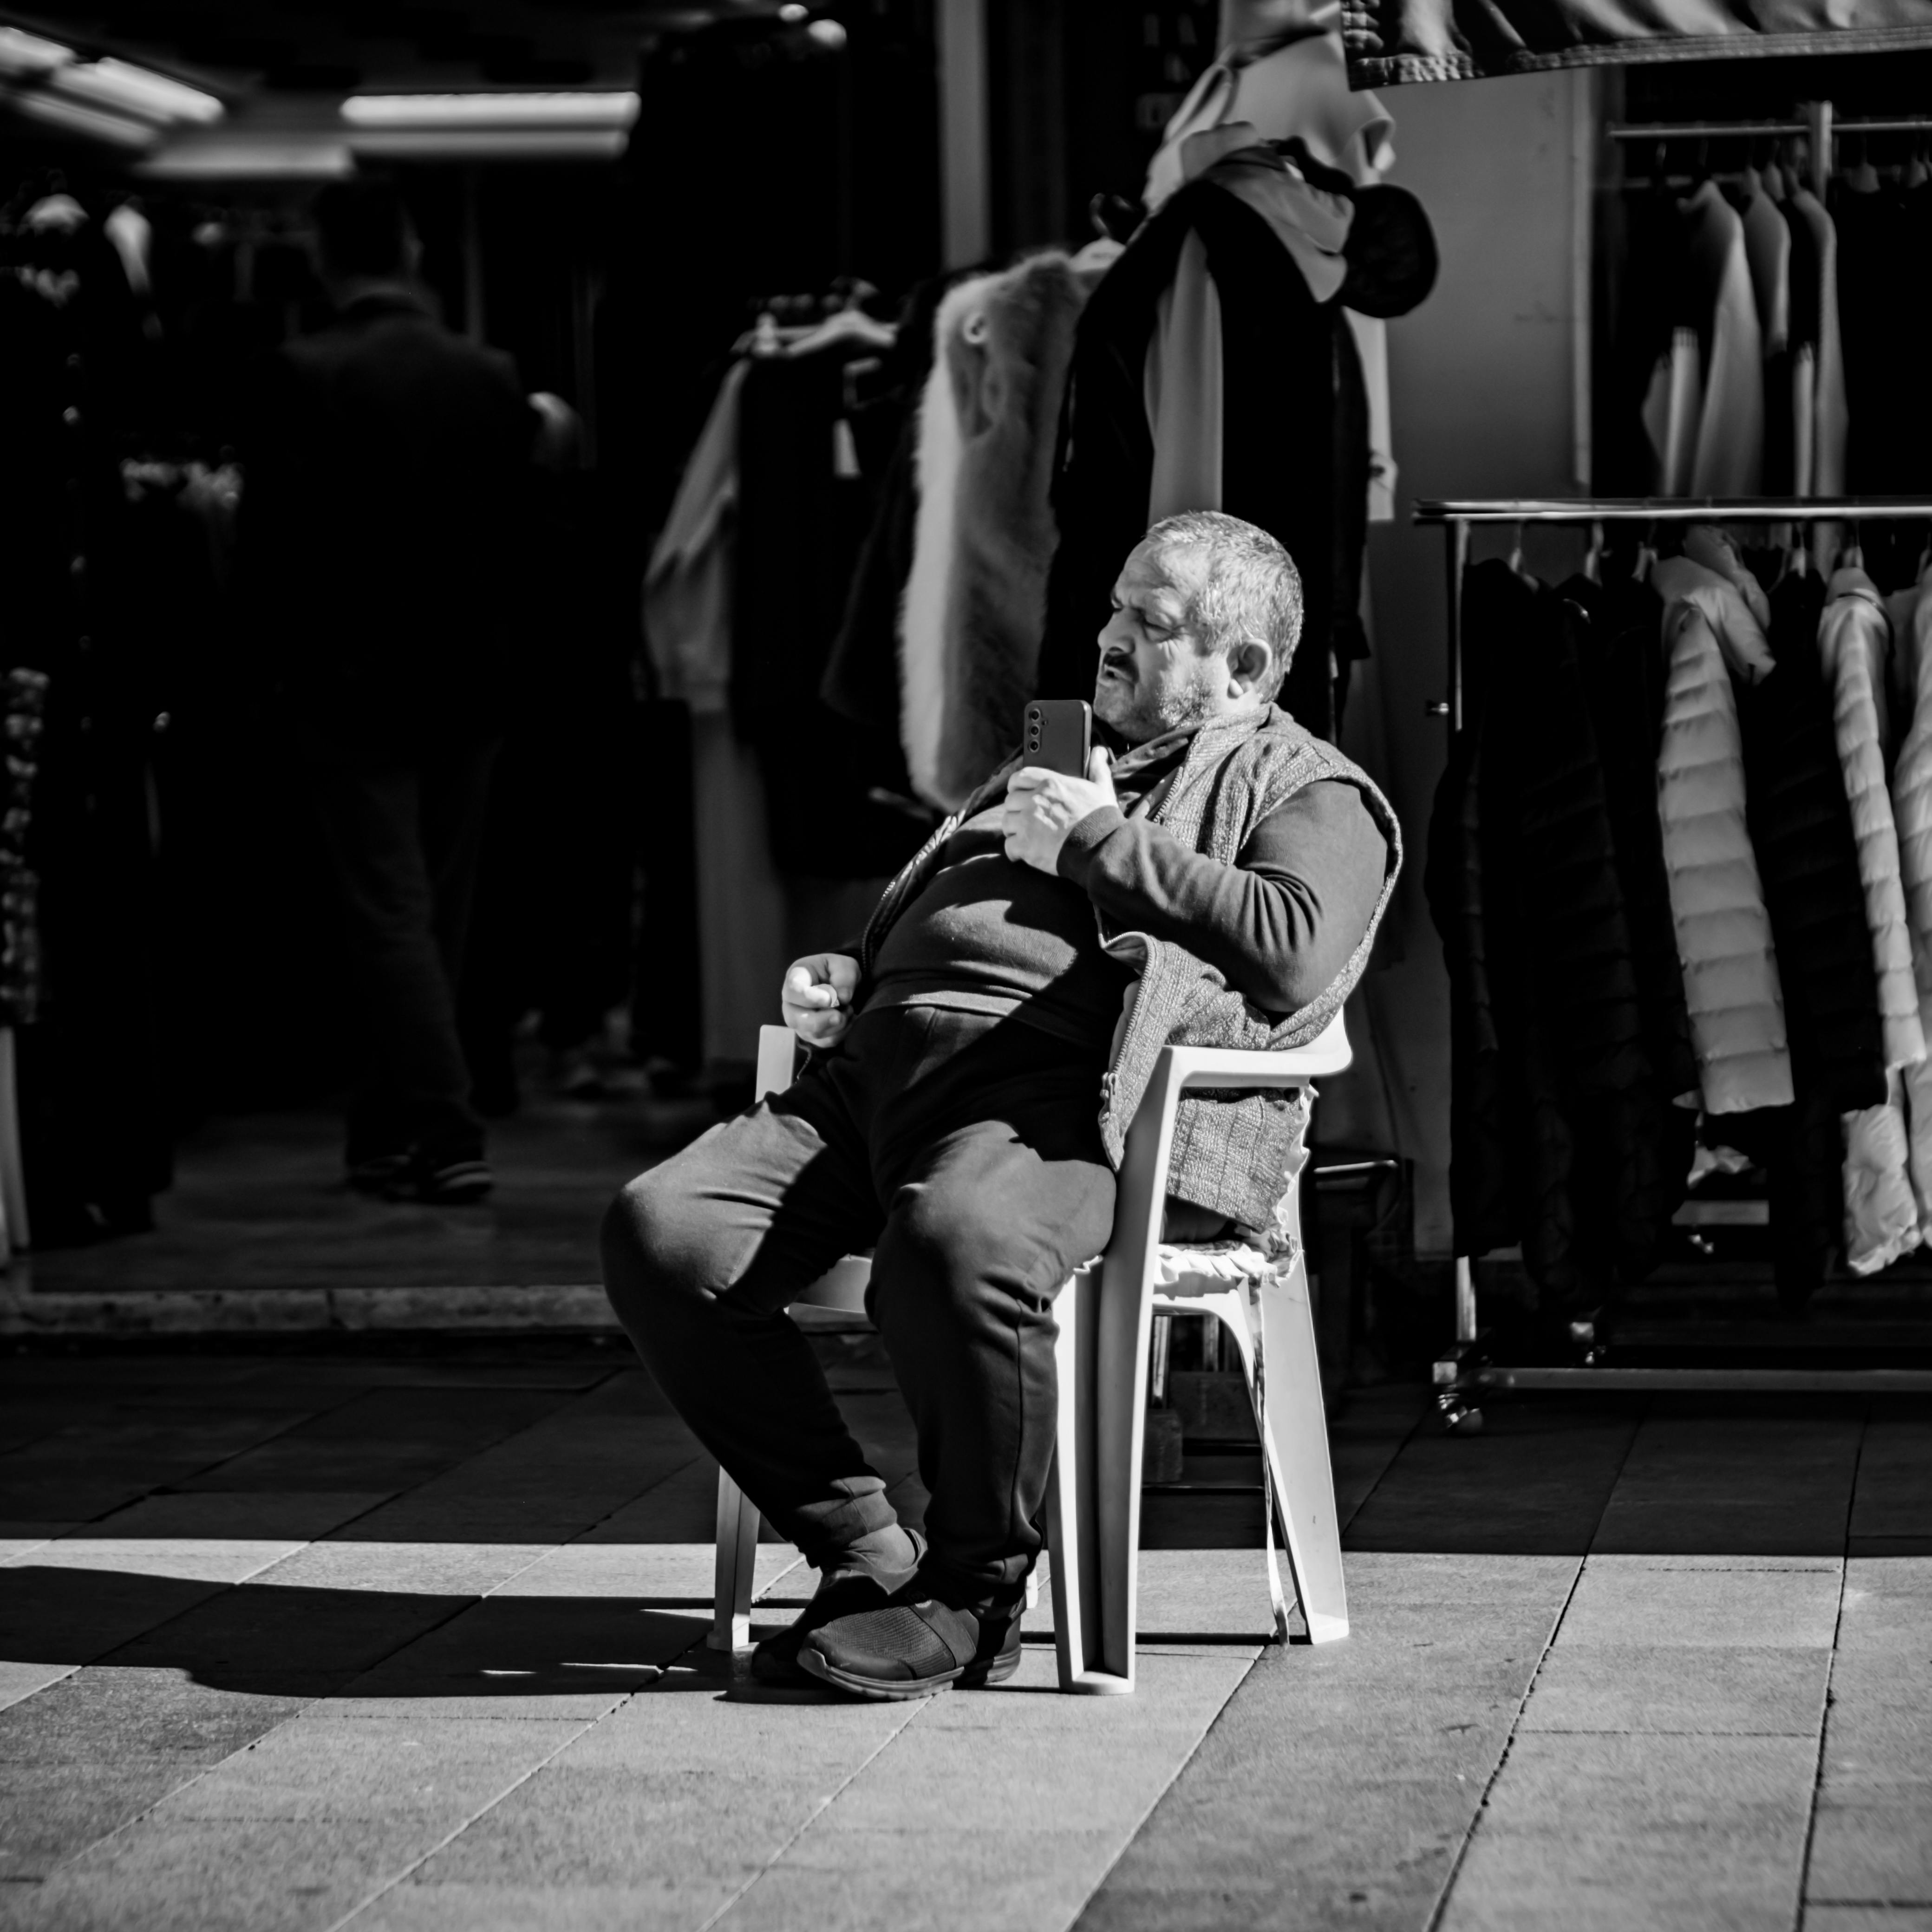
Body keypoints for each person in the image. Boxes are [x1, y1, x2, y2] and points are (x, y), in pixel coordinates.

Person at [602, 510, 1400, 1698]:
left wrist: (1095, 843)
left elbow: (1288, 948)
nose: (1109, 637)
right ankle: (868, 1550)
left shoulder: (1307, 785)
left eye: (1151, 621)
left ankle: (976, 1591)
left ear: (1242, 667)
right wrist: (852, 980)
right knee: (665, 1233)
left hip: (1054, 1110)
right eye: (1113, 607)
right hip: (867, 1084)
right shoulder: (1059, 767)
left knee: (956, 1243)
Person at [239, 177, 535, 1204]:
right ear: (411, 249)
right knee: (427, 921)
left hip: (346, 680)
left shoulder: (303, 372)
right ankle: (389, 1128)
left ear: (325, 256)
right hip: (471, 680)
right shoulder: (491, 377)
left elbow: (269, 548)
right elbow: (521, 543)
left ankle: (447, 1130)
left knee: (387, 916)